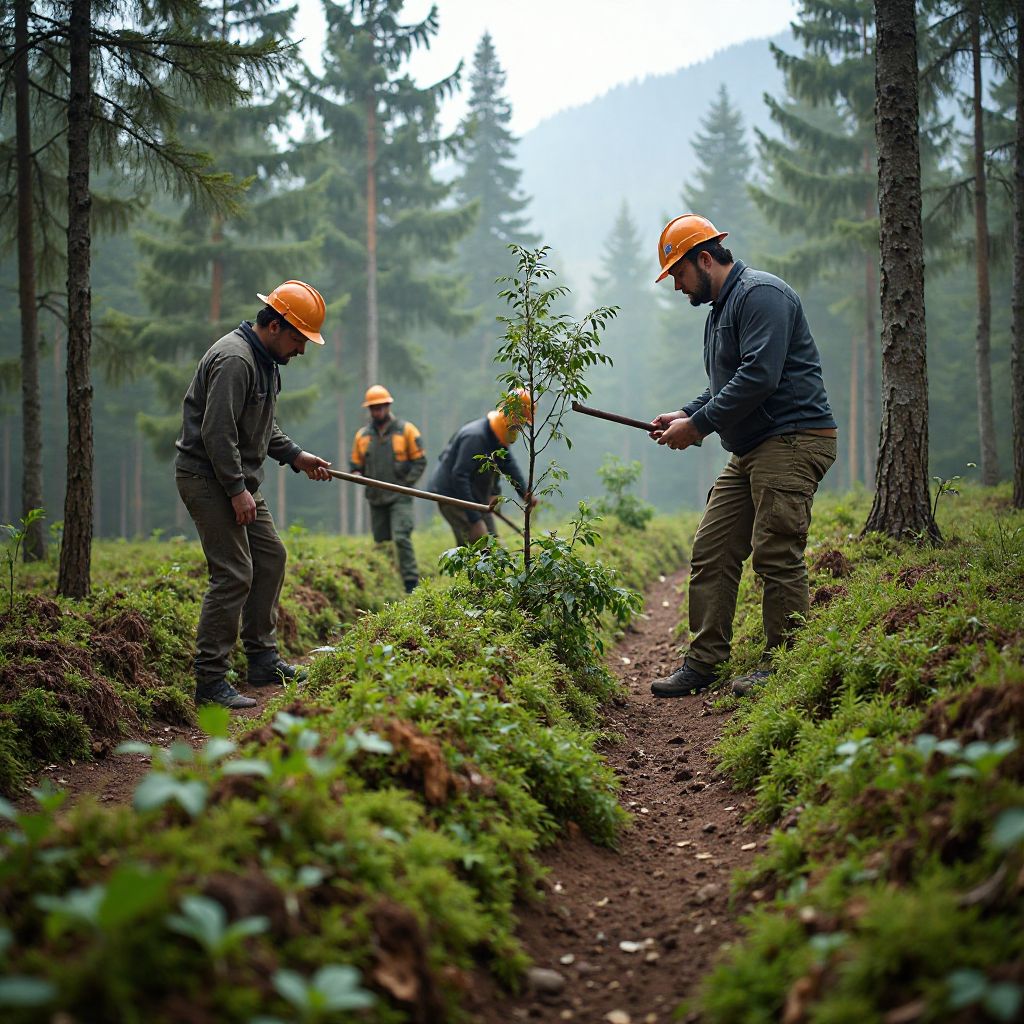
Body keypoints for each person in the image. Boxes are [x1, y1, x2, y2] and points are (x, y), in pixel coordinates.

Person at [647, 214, 837, 699]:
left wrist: (700, 425)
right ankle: (705, 662)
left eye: (678, 275)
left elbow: (760, 377)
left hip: (792, 438)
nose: (676, 287)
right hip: (754, 445)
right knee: (713, 549)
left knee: (776, 551)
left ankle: (788, 663)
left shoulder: (761, 295)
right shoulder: (722, 311)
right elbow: (724, 384)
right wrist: (686, 413)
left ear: (704, 258)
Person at [174, 280, 334, 710]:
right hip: (210, 478)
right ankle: (210, 682)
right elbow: (217, 432)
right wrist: (235, 490)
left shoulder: (265, 361)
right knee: (233, 574)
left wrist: (297, 456)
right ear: (278, 326)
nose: (302, 350)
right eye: (301, 339)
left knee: (271, 556)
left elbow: (262, 426)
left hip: (238, 480)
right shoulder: (234, 360)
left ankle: (262, 659)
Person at [428, 391, 536, 545]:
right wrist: (475, 520)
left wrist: (524, 493)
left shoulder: (497, 438)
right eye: (522, 422)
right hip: (452, 496)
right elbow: (459, 477)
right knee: (478, 546)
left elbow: (508, 465)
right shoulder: (475, 437)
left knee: (494, 547)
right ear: (513, 416)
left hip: (475, 496)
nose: (521, 428)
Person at [350, 385, 426, 593]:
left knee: (401, 537)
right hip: (376, 497)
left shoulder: (407, 430)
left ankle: (411, 584)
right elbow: (355, 466)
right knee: (381, 543)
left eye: (381, 407)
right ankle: (386, 583)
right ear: (370, 410)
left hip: (401, 496)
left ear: (388, 406)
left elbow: (420, 461)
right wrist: (356, 474)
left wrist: (407, 486)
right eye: (374, 408)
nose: (378, 412)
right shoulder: (362, 436)